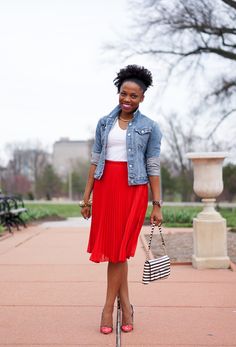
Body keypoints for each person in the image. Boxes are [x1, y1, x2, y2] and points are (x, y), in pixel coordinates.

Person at [80, 64, 163, 334]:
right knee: (116, 253)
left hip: (133, 191)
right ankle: (126, 306)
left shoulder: (150, 127)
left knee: (119, 251)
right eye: (123, 94)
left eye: (134, 96)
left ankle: (107, 308)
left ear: (142, 98)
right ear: (119, 93)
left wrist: (157, 204)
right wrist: (86, 198)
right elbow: (95, 161)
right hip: (106, 189)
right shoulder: (104, 123)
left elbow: (153, 166)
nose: (127, 100)